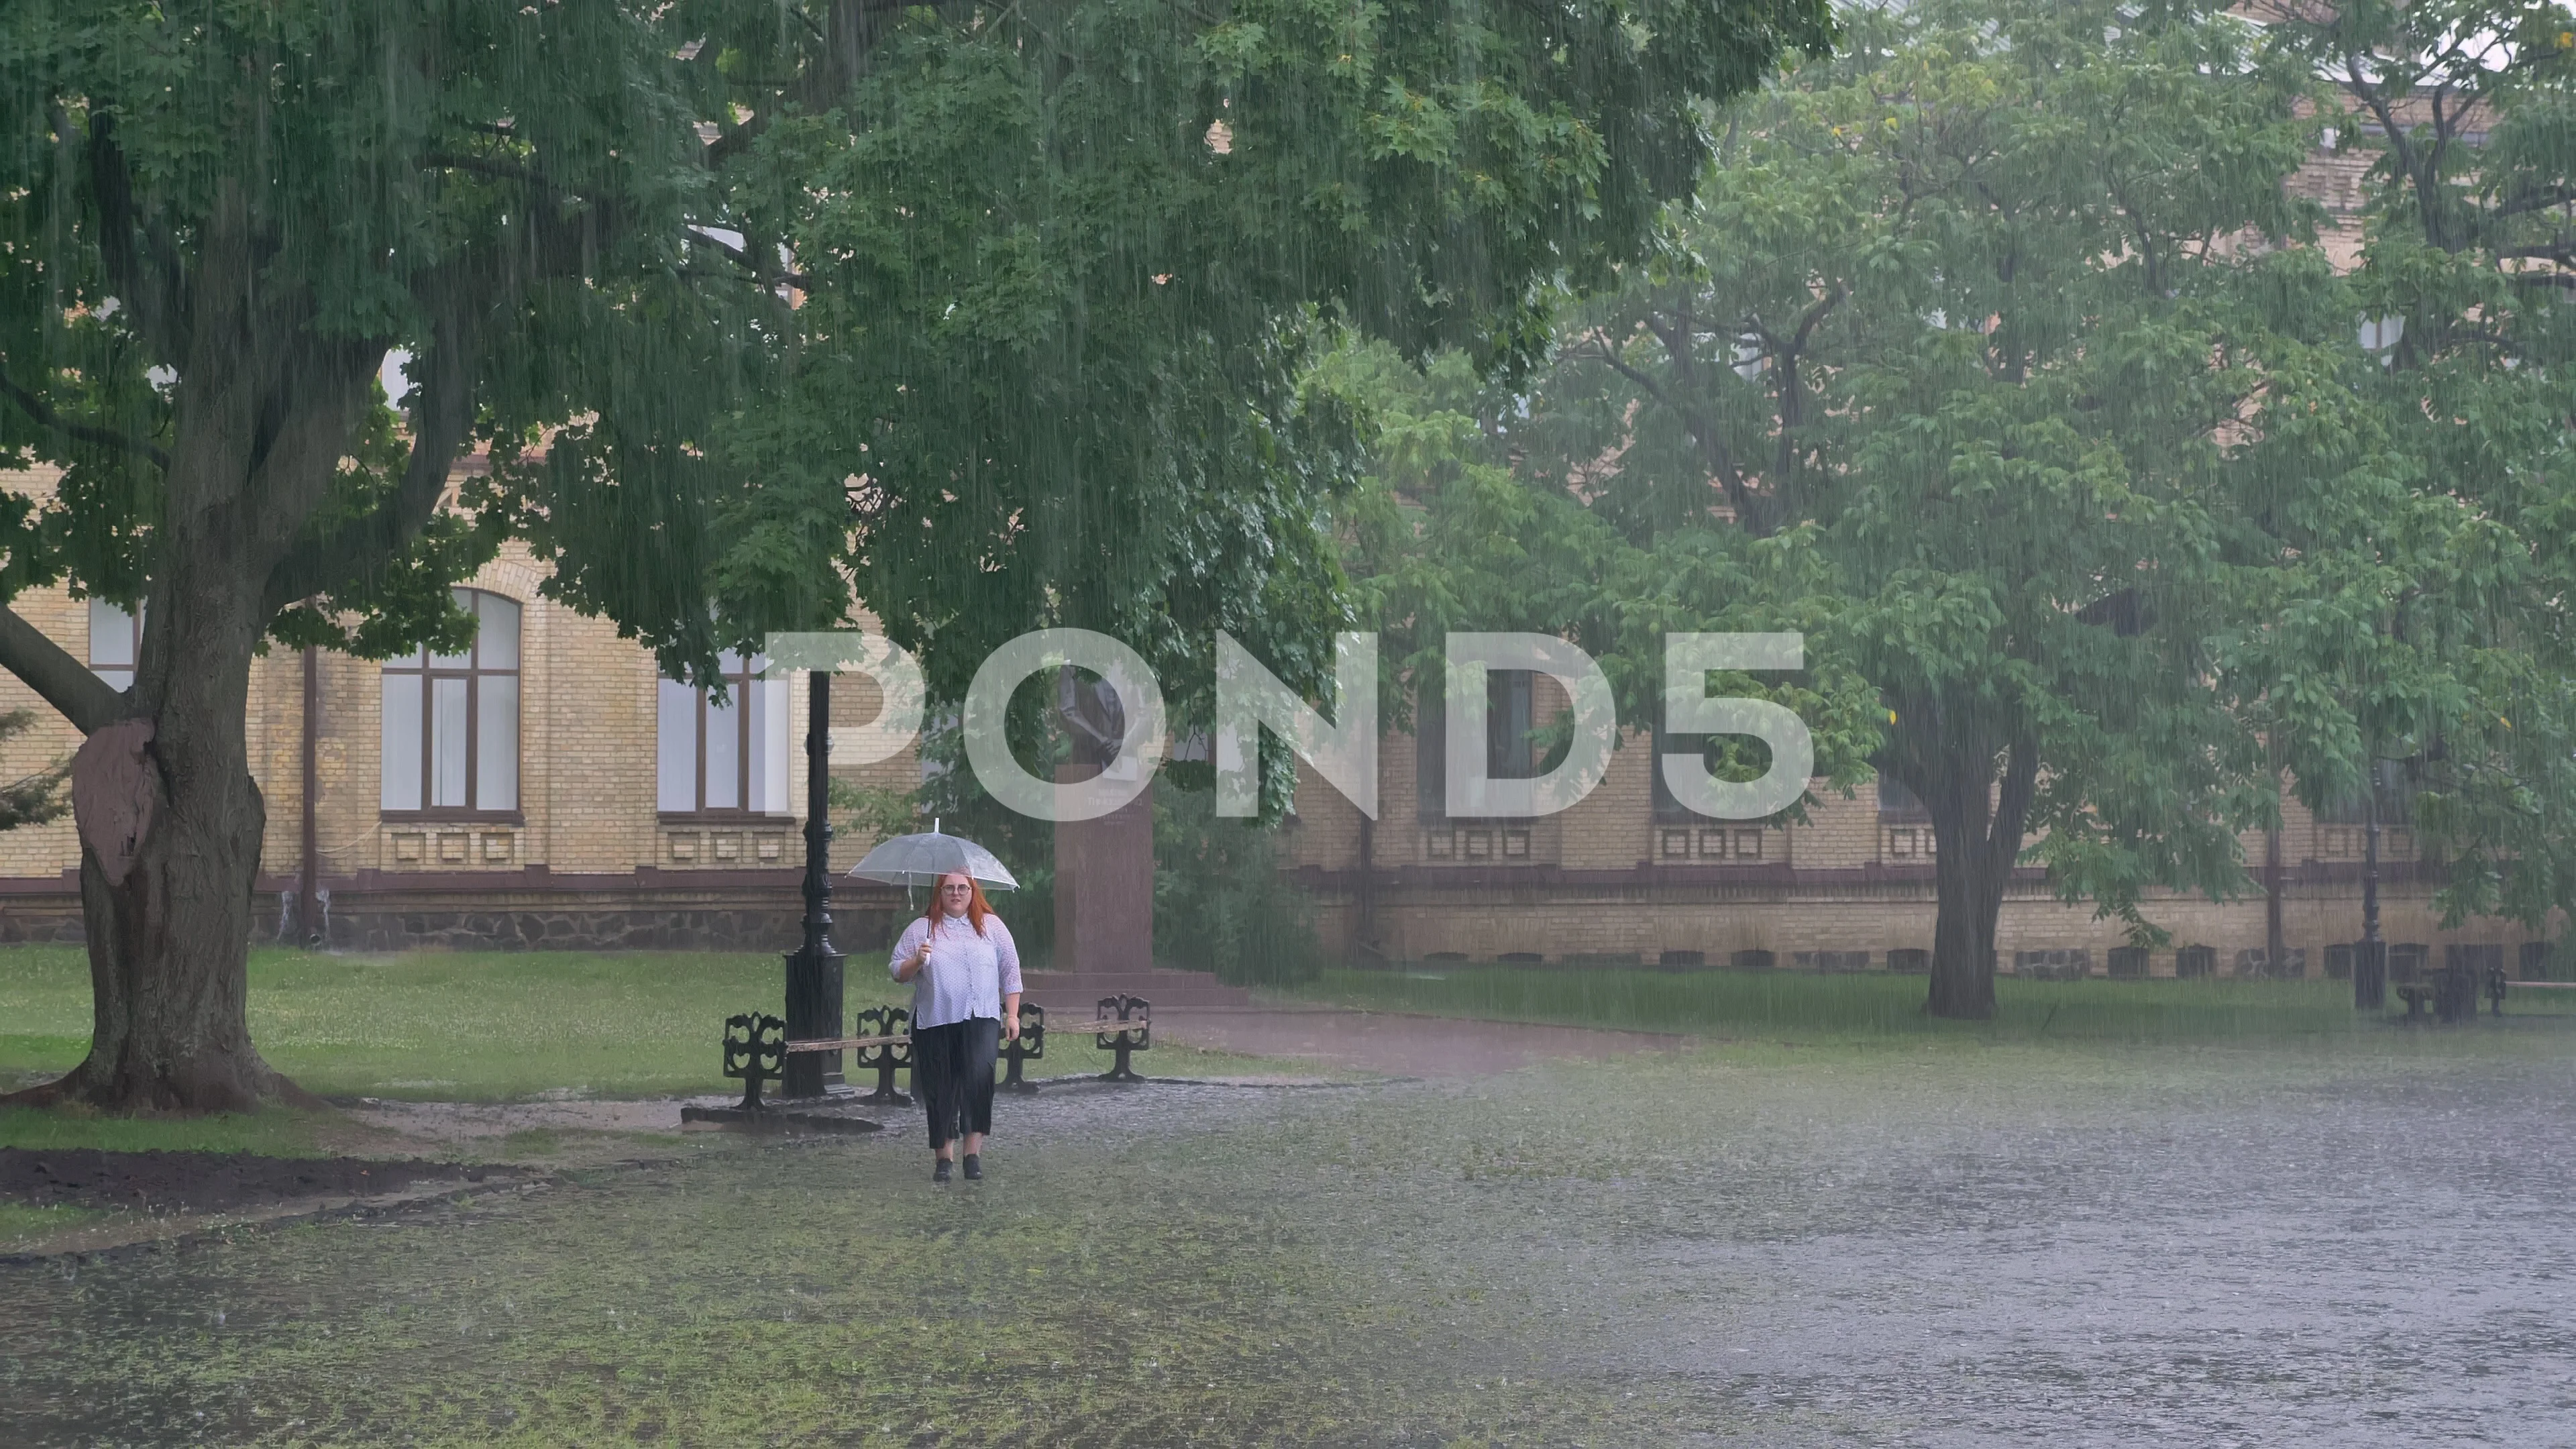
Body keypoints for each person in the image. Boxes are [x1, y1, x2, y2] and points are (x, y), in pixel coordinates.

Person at [889, 871, 1022, 1183]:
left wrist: (1012, 1015)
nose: (957, 893)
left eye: (963, 888)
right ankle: (944, 1158)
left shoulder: (992, 928)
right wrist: (917, 961)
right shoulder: (922, 929)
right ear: (940, 893)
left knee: (979, 1080)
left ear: (973, 892)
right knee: (941, 1087)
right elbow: (897, 970)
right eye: (949, 888)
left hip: (983, 1018)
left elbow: (1011, 971)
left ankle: (972, 1156)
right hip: (937, 1020)